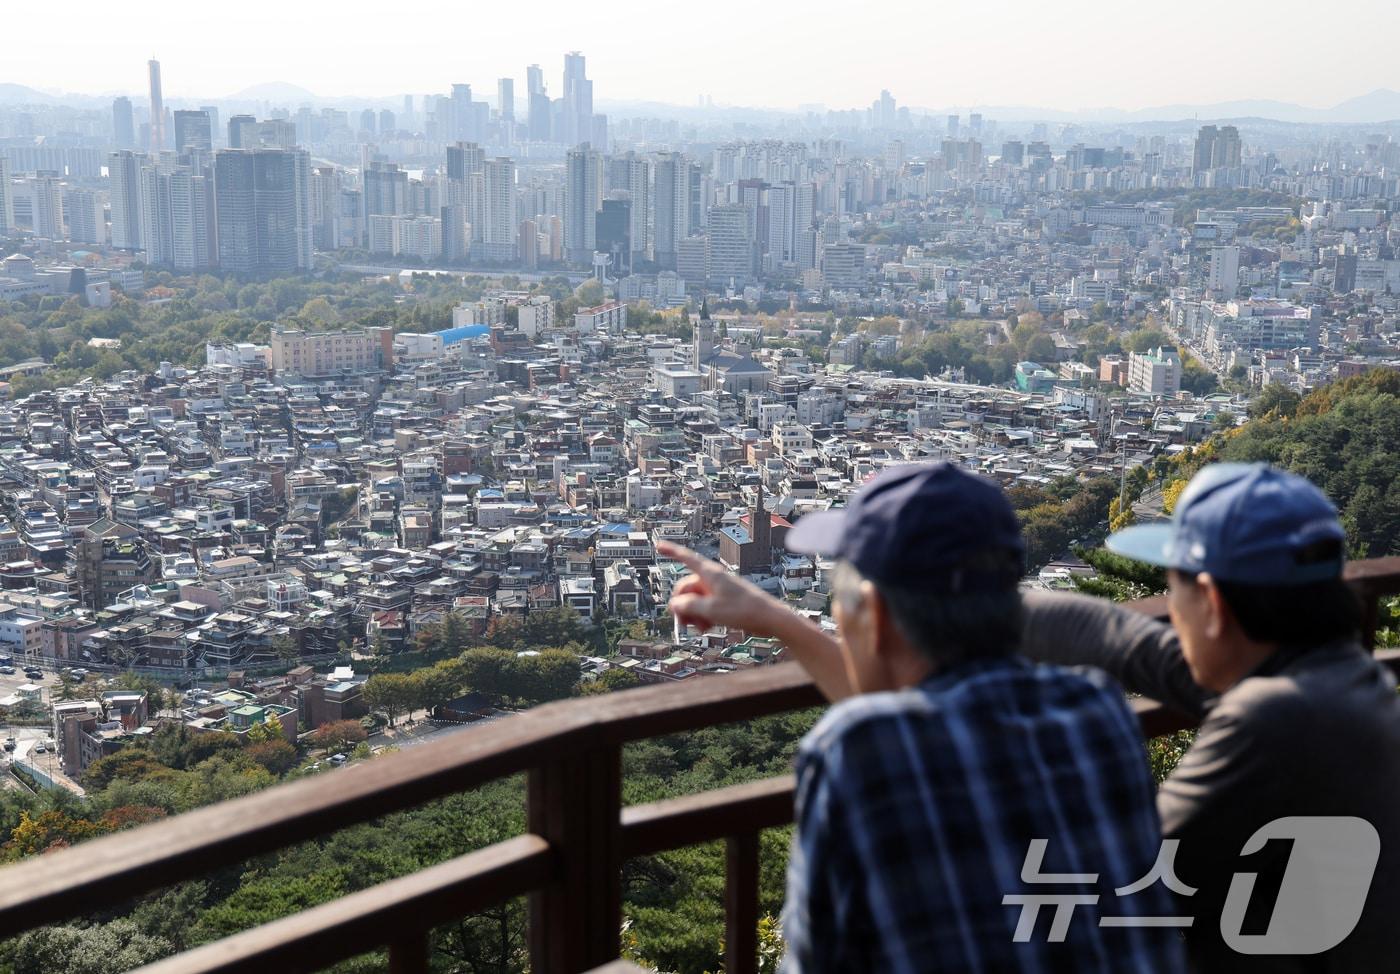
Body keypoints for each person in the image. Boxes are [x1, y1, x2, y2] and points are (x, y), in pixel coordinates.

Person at [661, 463, 1186, 973]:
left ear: (875, 614)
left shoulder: (857, 750)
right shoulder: (1093, 708)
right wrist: (777, 620)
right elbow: (921, 726)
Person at [1019, 462, 1400, 971]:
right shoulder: (1347, 678)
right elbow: (1133, 645)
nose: (1171, 611)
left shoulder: (1273, 719)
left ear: (1214, 604)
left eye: (1173, 589)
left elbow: (1118, 887)